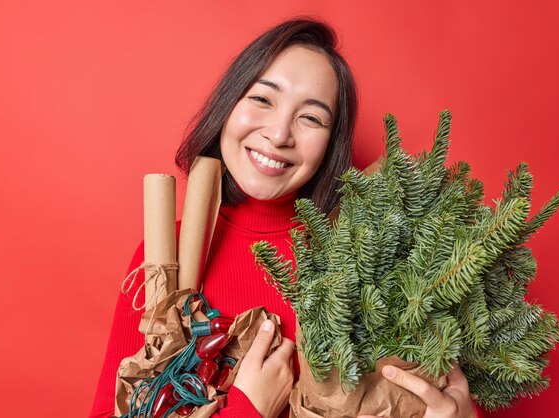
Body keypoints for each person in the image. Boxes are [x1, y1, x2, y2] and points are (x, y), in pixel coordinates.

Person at [90, 18, 478, 418]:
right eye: (262, 99)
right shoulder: (164, 257)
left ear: (332, 144)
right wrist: (247, 410)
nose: (279, 134)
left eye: (311, 118)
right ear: (229, 105)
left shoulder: (372, 260)